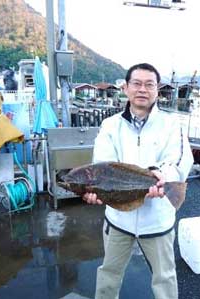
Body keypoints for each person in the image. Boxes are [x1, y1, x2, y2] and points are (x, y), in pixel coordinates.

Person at [83, 63, 194, 299]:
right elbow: (102, 164)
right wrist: (96, 190)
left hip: (157, 219)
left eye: (149, 84)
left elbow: (179, 159)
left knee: (165, 277)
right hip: (118, 218)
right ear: (126, 88)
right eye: (136, 83)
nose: (142, 89)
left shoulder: (172, 124)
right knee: (109, 273)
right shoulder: (110, 125)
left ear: (157, 90)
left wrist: (163, 175)